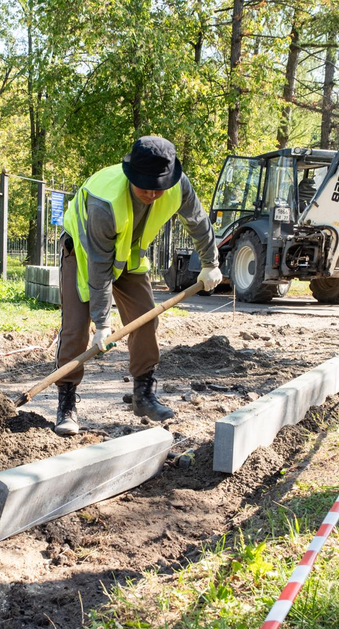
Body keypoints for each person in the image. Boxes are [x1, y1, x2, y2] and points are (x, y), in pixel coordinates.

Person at [53, 136, 222, 436]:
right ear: (131, 175)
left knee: (146, 318)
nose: (152, 193)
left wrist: (210, 263)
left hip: (128, 256)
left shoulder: (177, 186)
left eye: (159, 187)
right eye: (145, 185)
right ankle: (66, 403)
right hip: (84, 254)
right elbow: (99, 267)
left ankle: (143, 395)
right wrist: (102, 323)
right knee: (76, 330)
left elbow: (197, 220)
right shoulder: (104, 203)